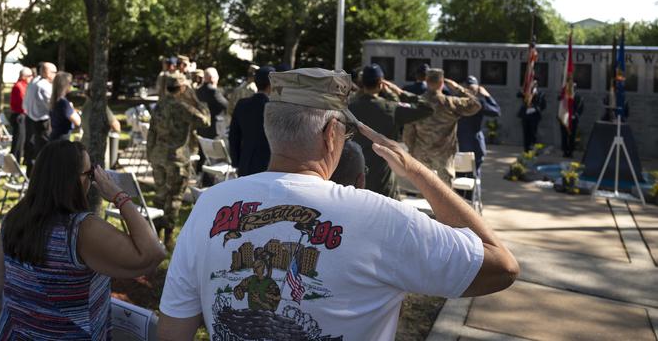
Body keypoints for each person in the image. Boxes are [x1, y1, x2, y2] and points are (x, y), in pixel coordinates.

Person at [157, 67, 519, 340]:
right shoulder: (381, 218)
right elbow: (502, 265)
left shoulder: (209, 205)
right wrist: (416, 171)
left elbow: (173, 331)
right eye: (344, 133)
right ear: (332, 135)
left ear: (272, 128)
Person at [0, 140, 166, 339]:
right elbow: (153, 254)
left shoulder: (13, 219)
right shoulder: (80, 230)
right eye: (90, 174)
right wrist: (119, 196)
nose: (92, 180)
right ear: (72, 180)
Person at [349, 64, 432, 198]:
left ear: (362, 83)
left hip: (354, 180)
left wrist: (360, 92)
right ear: (381, 83)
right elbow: (427, 108)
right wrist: (399, 92)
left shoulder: (350, 107)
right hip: (383, 183)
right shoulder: (391, 108)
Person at [147, 73, 209, 248]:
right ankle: (168, 238)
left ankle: (155, 234)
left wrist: (150, 153)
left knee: (160, 196)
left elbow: (151, 131)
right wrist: (197, 101)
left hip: (158, 156)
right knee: (174, 199)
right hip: (177, 159)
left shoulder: (159, 106)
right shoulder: (182, 107)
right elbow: (205, 121)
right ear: (182, 89)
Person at [410, 69, 482, 186]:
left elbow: (409, 130)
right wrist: (457, 88)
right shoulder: (450, 103)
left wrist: (411, 149)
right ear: (442, 83)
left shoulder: (417, 102)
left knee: (422, 194)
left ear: (426, 81)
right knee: (444, 196)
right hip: (444, 158)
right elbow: (476, 105)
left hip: (421, 155)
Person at [228, 66, 274, 176]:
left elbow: (233, 136)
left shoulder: (242, 104)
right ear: (272, 84)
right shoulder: (273, 107)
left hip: (245, 162)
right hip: (268, 165)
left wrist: (236, 162)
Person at [457, 76, 501, 173]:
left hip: (460, 144)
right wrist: (487, 96)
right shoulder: (479, 103)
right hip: (474, 145)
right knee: (474, 174)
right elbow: (496, 111)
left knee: (461, 175)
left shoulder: (456, 102)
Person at [23, 62, 56, 175]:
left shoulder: (33, 81)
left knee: (34, 148)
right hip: (42, 121)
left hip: (31, 118)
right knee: (43, 151)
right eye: (54, 72)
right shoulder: (44, 85)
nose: (55, 75)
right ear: (48, 73)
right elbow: (53, 105)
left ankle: (31, 173)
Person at [196, 67, 229, 139]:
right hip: (214, 129)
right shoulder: (213, 91)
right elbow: (226, 106)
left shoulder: (198, 91)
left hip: (202, 128)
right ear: (212, 78)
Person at [8, 67, 33, 161]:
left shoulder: (25, 85)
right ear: (23, 76)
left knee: (22, 140)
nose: (31, 78)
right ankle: (14, 162)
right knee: (18, 141)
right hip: (19, 116)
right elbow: (24, 102)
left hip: (22, 115)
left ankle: (19, 160)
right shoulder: (19, 86)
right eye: (30, 76)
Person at [49, 71, 81, 142]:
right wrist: (72, 108)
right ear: (65, 85)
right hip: (62, 140)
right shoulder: (63, 103)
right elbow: (77, 121)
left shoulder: (54, 100)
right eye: (70, 83)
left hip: (54, 137)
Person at [517, 80, 546, 152]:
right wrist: (525, 91)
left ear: (536, 85)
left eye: (533, 84)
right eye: (530, 84)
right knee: (526, 133)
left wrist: (535, 109)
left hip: (534, 116)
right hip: (525, 115)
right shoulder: (526, 92)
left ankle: (533, 149)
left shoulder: (540, 94)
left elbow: (543, 105)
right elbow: (518, 94)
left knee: (533, 133)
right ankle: (526, 149)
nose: (532, 85)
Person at [557, 86, 583, 157]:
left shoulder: (578, 97)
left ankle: (571, 152)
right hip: (564, 118)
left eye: (573, 87)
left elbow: (580, 107)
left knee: (572, 136)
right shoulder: (564, 96)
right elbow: (559, 99)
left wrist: (575, 115)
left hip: (573, 119)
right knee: (564, 136)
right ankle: (565, 151)